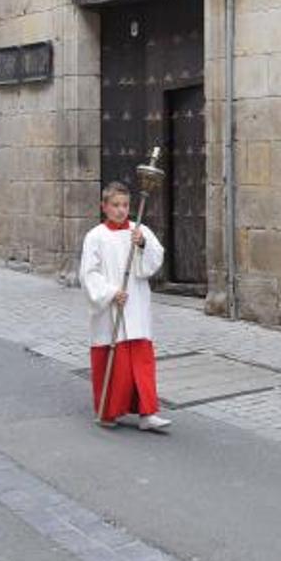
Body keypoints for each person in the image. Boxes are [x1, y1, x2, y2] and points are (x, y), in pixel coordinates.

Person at [80, 182, 170, 431]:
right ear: (104, 207)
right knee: (114, 362)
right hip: (112, 308)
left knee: (141, 362)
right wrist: (110, 293)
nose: (121, 210)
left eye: (125, 205)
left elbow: (154, 259)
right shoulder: (95, 236)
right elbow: (88, 274)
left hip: (136, 304)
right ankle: (109, 411)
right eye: (115, 205)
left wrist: (142, 245)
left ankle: (147, 413)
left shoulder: (139, 231)